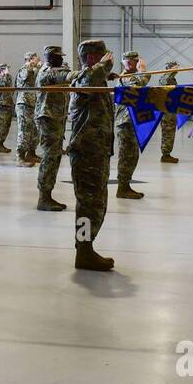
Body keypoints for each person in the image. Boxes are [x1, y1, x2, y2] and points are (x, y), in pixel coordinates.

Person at [68, 39, 116, 271]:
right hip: (86, 153)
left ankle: (87, 247)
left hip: (97, 152)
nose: (107, 59)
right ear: (91, 58)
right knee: (87, 206)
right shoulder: (83, 80)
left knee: (97, 204)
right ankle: (84, 251)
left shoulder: (96, 78)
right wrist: (103, 68)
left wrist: (106, 74)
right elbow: (88, 81)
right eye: (102, 56)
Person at [34, 45, 69, 211]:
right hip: (48, 118)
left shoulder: (54, 70)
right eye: (59, 57)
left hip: (55, 118)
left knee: (54, 157)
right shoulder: (48, 71)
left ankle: (47, 195)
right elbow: (66, 76)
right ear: (51, 58)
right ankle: (44, 197)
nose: (62, 59)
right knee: (49, 157)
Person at [114, 50, 146, 200]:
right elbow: (137, 88)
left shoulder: (129, 76)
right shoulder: (126, 77)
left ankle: (125, 185)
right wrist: (143, 72)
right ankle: (123, 188)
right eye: (136, 61)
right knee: (127, 155)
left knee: (131, 155)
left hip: (129, 120)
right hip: (125, 121)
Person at [15, 52, 40, 166]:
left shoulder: (34, 70)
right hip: (24, 104)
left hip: (33, 104)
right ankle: (20, 157)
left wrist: (38, 68)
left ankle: (31, 153)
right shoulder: (24, 69)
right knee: (24, 131)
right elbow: (26, 75)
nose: (38, 60)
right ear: (30, 59)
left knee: (34, 131)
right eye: (35, 59)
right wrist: (32, 65)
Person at [160, 60, 181, 163]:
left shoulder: (171, 78)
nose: (178, 69)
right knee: (168, 132)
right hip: (167, 111)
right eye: (176, 67)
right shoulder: (167, 78)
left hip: (171, 109)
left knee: (169, 132)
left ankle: (166, 154)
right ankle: (165, 155)